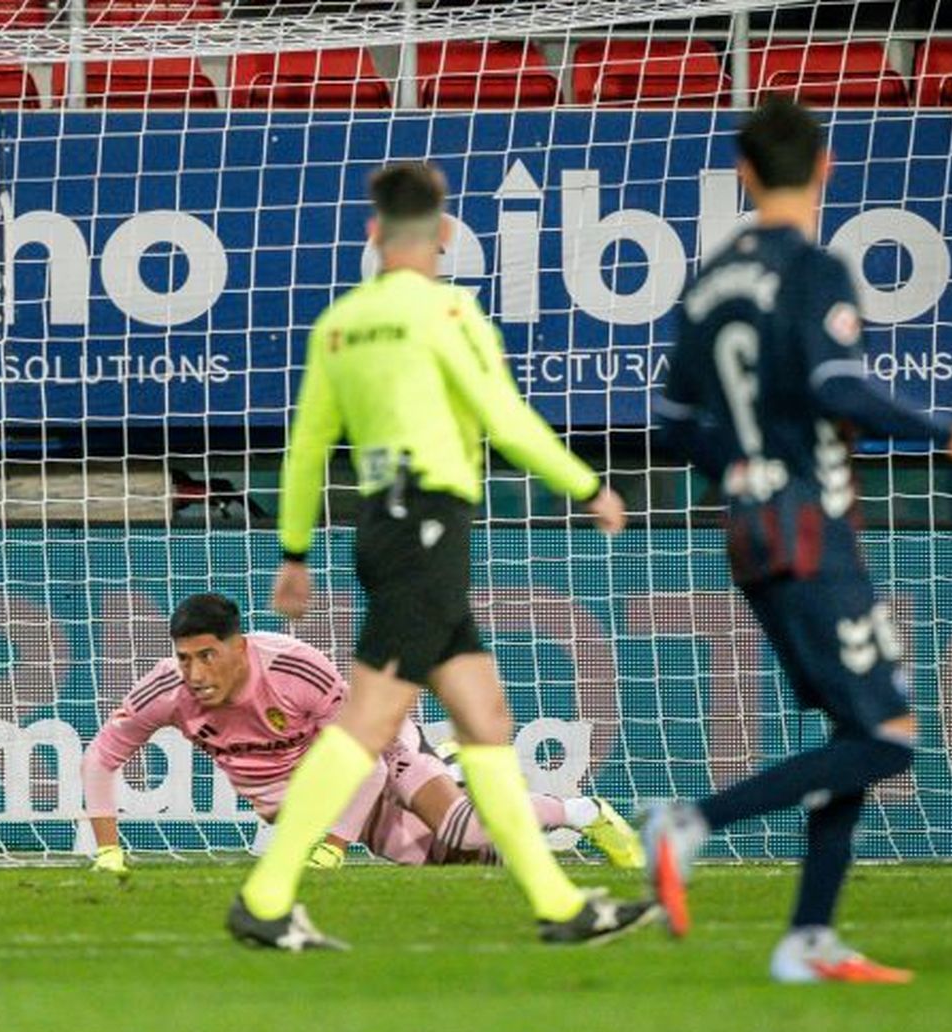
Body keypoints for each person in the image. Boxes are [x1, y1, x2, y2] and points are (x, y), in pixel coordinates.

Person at [227, 161, 659, 950]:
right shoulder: (450, 311)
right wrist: (587, 484)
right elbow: (506, 415)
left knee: (484, 716)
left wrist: (294, 549)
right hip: (431, 526)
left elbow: (306, 449)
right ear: (447, 233)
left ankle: (558, 906)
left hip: (383, 528)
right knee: (369, 720)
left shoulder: (341, 324)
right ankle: (264, 895)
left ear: (373, 233)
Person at [647, 98, 952, 983]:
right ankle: (691, 822)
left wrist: (739, 461)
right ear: (828, 167)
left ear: (744, 173)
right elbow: (840, 381)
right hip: (808, 527)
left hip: (749, 524)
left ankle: (808, 938)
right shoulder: (812, 270)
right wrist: (945, 430)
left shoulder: (709, 277)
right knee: (888, 737)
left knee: (859, 726)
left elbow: (667, 414)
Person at [84, 594, 642, 875]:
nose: (196, 674)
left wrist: (332, 847)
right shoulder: (166, 690)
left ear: (239, 648)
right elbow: (101, 757)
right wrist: (108, 851)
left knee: (462, 827)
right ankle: (460, 775)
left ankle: (584, 814)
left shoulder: (294, 671)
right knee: (445, 860)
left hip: (377, 748)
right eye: (185, 659)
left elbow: (366, 764)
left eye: (207, 656)